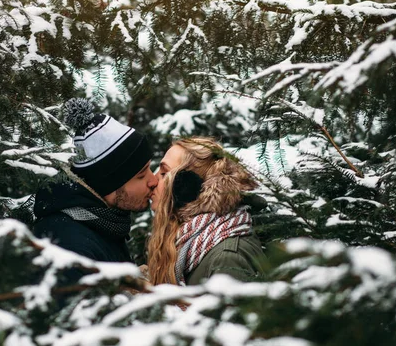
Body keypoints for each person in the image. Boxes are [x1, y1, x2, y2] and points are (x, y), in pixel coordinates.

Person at [34, 98, 158, 263]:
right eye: (141, 175)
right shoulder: (69, 246)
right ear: (109, 184)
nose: (154, 180)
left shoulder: (102, 222)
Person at [148, 137, 268, 285]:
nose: (153, 181)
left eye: (163, 173)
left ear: (187, 186)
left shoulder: (227, 260)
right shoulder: (187, 243)